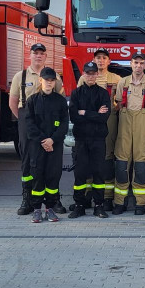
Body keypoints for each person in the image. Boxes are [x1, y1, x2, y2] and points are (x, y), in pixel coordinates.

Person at [9, 43, 65, 216]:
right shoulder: (21, 76)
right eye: (35, 53)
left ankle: (53, 200)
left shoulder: (53, 76)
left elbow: (59, 101)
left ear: (45, 57)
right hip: (28, 122)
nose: (38, 56)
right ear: (30, 55)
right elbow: (13, 102)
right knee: (28, 162)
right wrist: (26, 122)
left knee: (51, 164)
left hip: (48, 125)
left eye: (42, 53)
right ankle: (27, 198)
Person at [113, 53, 145, 215]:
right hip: (125, 124)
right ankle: (120, 202)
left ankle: (140, 203)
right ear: (131, 64)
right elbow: (119, 104)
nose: (138, 66)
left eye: (141, 63)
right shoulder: (122, 82)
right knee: (122, 163)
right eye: (136, 63)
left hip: (144, 124)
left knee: (141, 163)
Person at [76, 49, 123, 211]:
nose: (101, 61)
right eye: (98, 58)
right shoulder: (83, 79)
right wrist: (92, 114)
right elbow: (77, 107)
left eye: (104, 58)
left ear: (109, 61)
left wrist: (88, 113)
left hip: (109, 122)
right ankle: (88, 194)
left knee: (106, 157)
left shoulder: (117, 79)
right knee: (86, 160)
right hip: (87, 126)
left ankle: (106, 196)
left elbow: (119, 103)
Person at [23, 67, 69, 223]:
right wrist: (44, 140)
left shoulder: (61, 101)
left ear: (54, 82)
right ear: (40, 80)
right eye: (46, 80)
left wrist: (52, 140)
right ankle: (37, 209)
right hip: (37, 146)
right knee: (37, 177)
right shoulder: (32, 101)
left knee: (53, 177)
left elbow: (64, 124)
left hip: (54, 146)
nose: (49, 83)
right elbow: (29, 125)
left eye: (51, 80)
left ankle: (49, 208)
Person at [68, 61, 112, 218]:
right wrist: (94, 113)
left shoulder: (103, 93)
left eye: (93, 73)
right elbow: (73, 116)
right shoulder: (76, 93)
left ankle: (98, 206)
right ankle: (79, 205)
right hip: (81, 140)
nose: (91, 76)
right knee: (80, 173)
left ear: (97, 75)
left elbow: (104, 117)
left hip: (98, 139)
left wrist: (84, 112)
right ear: (83, 74)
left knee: (99, 173)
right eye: (88, 73)